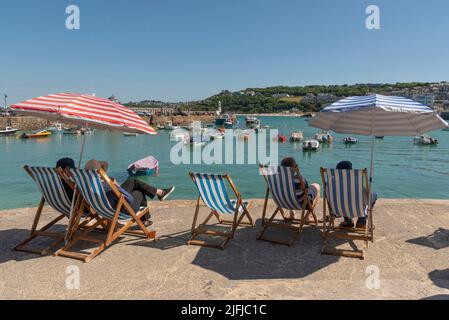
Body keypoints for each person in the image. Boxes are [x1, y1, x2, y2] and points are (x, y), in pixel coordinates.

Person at [84, 159, 175, 227]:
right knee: (139, 191)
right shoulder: (106, 184)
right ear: (99, 172)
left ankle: (159, 193)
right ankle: (158, 196)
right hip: (120, 209)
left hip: (105, 208)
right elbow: (127, 198)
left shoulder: (86, 184)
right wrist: (116, 186)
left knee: (132, 181)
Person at [336, 161, 377, 228]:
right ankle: (362, 220)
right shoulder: (355, 184)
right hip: (357, 209)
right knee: (374, 195)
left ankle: (348, 221)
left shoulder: (331, 184)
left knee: (343, 199)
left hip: (339, 209)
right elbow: (369, 196)